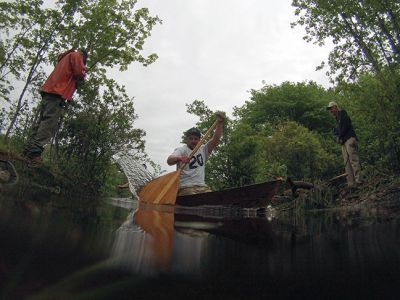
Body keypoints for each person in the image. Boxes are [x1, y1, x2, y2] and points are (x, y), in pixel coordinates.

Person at [23, 49, 88, 166]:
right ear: (83, 57)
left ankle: (28, 150)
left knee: (42, 121)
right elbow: (79, 72)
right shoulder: (77, 55)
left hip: (49, 90)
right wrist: (84, 72)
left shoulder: (65, 57)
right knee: (49, 123)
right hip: (57, 92)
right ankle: (34, 154)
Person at [167, 112, 225, 196]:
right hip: (185, 187)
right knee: (192, 195)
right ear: (186, 140)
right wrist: (180, 158)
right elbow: (169, 160)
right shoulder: (181, 150)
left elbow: (216, 139)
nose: (193, 141)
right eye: (191, 139)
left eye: (196, 139)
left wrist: (219, 123)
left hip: (202, 187)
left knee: (211, 196)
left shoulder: (203, 149)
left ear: (199, 140)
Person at [326, 101, 362, 188]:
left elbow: (346, 126)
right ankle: (351, 184)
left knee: (353, 160)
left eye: (331, 109)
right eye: (330, 110)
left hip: (350, 139)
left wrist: (340, 137)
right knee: (347, 163)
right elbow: (340, 130)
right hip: (344, 142)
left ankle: (359, 181)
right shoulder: (337, 119)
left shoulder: (344, 114)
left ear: (335, 107)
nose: (331, 111)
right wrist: (338, 137)